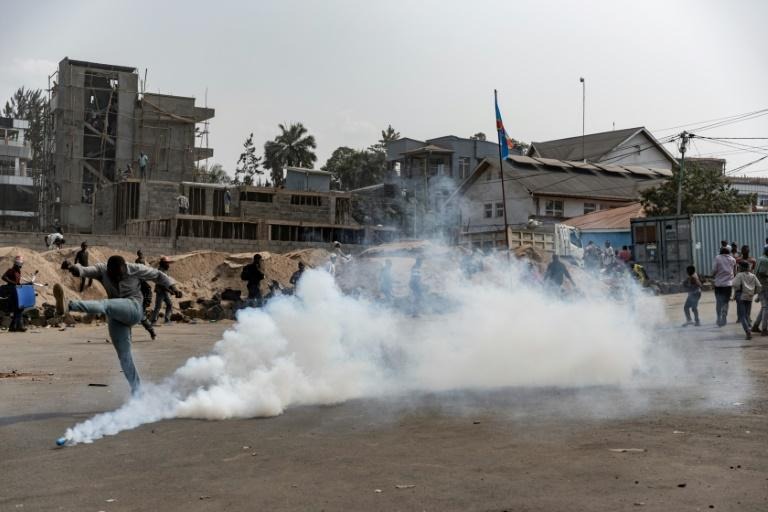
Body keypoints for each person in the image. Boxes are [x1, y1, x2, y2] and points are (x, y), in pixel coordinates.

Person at [56, 255, 181, 394]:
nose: (117, 278)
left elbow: (158, 275)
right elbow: (84, 270)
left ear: (124, 269)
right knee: (124, 357)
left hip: (133, 308)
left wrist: (173, 287)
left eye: (120, 275)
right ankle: (138, 392)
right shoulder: (101, 269)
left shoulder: (135, 269)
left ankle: (68, 305)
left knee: (105, 304)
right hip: (116, 317)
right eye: (113, 275)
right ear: (108, 270)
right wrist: (73, 268)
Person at [732, 260, 762, 340]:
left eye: (738, 267)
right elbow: (759, 286)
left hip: (741, 296)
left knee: (742, 316)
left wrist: (738, 290)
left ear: (741, 267)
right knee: (747, 315)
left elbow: (734, 284)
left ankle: (747, 331)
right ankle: (749, 327)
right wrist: (754, 292)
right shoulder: (753, 275)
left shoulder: (739, 275)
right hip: (749, 296)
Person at [712, 246, 736, 327]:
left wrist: (713, 275)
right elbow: (734, 271)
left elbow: (714, 270)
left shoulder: (717, 258)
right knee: (726, 302)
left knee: (718, 302)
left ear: (721, 252)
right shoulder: (732, 259)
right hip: (728, 285)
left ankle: (718, 318)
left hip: (718, 284)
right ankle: (724, 316)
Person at [134, 250, 156, 340]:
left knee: (142, 316)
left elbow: (148, 291)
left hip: (141, 301)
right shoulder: (135, 281)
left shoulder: (143, 282)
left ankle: (152, 332)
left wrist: (147, 301)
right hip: (135, 301)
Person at [2, 256, 26, 332]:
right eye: (20, 264)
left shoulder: (18, 271)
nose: (21, 266)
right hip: (11, 291)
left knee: (19, 308)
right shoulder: (11, 270)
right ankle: (17, 326)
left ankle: (14, 326)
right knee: (18, 308)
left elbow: (18, 283)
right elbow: (3, 277)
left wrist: (26, 284)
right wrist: (13, 283)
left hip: (17, 291)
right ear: (17, 264)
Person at [151, 256, 174, 324]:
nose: (168, 265)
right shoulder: (160, 271)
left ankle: (167, 319)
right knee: (158, 306)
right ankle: (153, 320)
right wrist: (170, 290)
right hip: (160, 291)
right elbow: (161, 284)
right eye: (167, 263)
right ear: (163, 263)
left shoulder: (165, 271)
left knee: (169, 304)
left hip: (165, 291)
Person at [752, 245, 768, 335]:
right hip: (764, 286)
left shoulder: (760, 258)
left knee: (764, 307)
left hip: (759, 285)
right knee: (766, 308)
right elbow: (762, 272)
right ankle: (764, 329)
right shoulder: (766, 260)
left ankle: (755, 326)